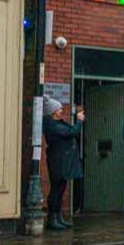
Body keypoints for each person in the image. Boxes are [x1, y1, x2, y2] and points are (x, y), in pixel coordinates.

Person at [42, 97, 84, 231]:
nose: (61, 111)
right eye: (59, 109)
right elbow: (71, 132)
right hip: (57, 161)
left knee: (61, 189)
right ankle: (52, 219)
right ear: (53, 111)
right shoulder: (52, 125)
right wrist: (79, 121)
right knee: (56, 190)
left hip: (63, 160)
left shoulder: (56, 123)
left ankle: (58, 217)